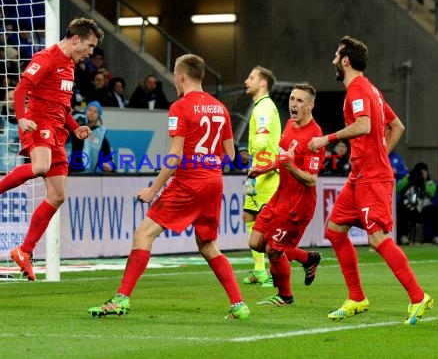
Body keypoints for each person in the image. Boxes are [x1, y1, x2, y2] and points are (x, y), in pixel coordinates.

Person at [88, 54, 250, 320]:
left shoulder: (180, 107)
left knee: (143, 234)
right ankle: (238, 304)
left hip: (189, 181)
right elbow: (231, 154)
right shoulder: (220, 108)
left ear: (182, 76)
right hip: (213, 181)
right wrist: (208, 162)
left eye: (175, 74)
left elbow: (174, 156)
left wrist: (154, 189)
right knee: (208, 244)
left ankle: (121, 299)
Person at [0, 17, 104, 281]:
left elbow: (62, 107)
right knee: (41, 166)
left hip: (58, 131)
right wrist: (21, 117)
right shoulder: (47, 57)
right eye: (89, 45)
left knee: (58, 196)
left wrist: (74, 126)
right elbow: (21, 89)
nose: (91, 51)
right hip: (37, 123)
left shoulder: (70, 65)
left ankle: (24, 250)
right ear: (75, 39)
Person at [308, 36, 433, 325]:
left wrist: (326, 138)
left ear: (346, 61)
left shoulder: (358, 90)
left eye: (336, 55)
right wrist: (380, 154)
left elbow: (363, 125)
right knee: (335, 230)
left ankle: (418, 297)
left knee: (377, 239)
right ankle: (356, 298)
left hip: (371, 178)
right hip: (360, 176)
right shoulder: (372, 90)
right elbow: (397, 126)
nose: (332, 60)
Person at [249, 83, 325, 306]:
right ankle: (308, 259)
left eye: (300, 100)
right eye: (292, 99)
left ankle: (285, 296)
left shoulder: (315, 137)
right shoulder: (290, 125)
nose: (294, 103)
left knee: (274, 249)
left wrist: (291, 167)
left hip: (298, 206)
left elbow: (311, 179)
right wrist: (264, 167)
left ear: (310, 106)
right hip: (280, 198)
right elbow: (283, 159)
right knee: (256, 241)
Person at [242, 66, 281, 287]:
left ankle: (277, 272)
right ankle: (260, 270)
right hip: (257, 171)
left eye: (251, 77)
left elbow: (263, 140)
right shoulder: (261, 106)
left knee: (270, 225)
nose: (246, 80)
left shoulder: (264, 108)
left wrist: (255, 153)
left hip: (264, 173)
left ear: (263, 83)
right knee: (249, 216)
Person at [396, 162, 438, 245]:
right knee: (401, 209)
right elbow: (397, 189)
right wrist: (409, 179)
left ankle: (433, 237)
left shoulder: (430, 183)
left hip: (422, 210)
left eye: (423, 173)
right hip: (410, 209)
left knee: (432, 210)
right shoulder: (409, 179)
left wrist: (422, 182)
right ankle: (402, 236)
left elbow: (431, 192)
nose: (420, 175)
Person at [66, 101, 114, 173]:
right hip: (67, 171)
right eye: (89, 110)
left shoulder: (100, 136)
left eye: (95, 111)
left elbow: (107, 159)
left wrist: (109, 166)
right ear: (84, 112)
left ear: (99, 116)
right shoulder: (74, 128)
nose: (92, 113)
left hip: (87, 176)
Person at [0, 88, 25, 173]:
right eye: (10, 99)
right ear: (4, 101)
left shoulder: (26, 123)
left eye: (15, 99)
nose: (12, 102)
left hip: (19, 172)